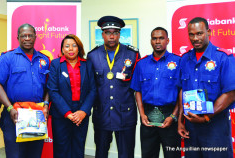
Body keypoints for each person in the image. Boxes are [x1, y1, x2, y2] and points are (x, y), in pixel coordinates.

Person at [178, 17, 235, 158]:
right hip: (191, 127)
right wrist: (180, 121)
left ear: (208, 32)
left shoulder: (224, 57)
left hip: (215, 127)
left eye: (199, 33)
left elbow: (230, 93)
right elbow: (181, 90)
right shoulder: (185, 59)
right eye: (191, 34)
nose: (195, 38)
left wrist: (206, 117)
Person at [0, 23, 50, 158]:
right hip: (14, 115)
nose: (27, 38)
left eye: (30, 35)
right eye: (23, 36)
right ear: (18, 38)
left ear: (35, 37)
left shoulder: (44, 59)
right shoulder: (7, 58)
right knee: (15, 155)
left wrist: (46, 105)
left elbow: (49, 87)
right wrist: (9, 107)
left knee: (34, 154)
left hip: (37, 116)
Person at [87, 16, 141, 158]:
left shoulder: (132, 54)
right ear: (102, 34)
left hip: (125, 114)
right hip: (102, 114)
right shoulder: (92, 55)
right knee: (101, 153)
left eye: (115, 32)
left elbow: (138, 85)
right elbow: (90, 86)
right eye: (108, 32)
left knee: (126, 154)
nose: (112, 36)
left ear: (119, 34)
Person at [130, 27, 181, 158]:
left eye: (161, 38)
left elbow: (182, 91)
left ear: (167, 40)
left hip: (170, 116)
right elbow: (138, 91)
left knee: (172, 154)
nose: (158, 41)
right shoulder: (141, 64)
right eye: (154, 38)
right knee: (148, 154)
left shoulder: (178, 62)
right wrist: (142, 115)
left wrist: (174, 116)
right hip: (148, 117)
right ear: (151, 41)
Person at [47, 34, 96, 158]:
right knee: (61, 149)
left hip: (81, 114)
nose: (70, 49)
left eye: (74, 46)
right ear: (62, 49)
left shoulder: (87, 64)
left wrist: (83, 111)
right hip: (61, 114)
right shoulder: (56, 64)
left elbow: (92, 90)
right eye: (67, 46)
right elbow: (53, 91)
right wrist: (67, 113)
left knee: (78, 148)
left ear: (78, 48)